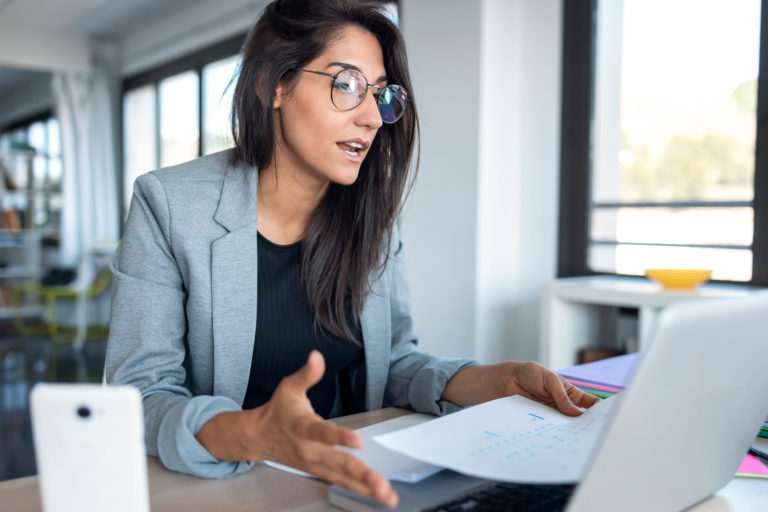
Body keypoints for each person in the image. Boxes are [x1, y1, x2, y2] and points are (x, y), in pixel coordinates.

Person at [105, 0, 600, 507]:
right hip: (224, 483)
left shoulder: (371, 215)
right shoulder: (169, 204)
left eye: (381, 94)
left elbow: (393, 364)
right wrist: (254, 432)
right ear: (272, 85)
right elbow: (139, 394)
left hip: (348, 480)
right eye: (346, 85)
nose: (372, 118)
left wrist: (483, 380)